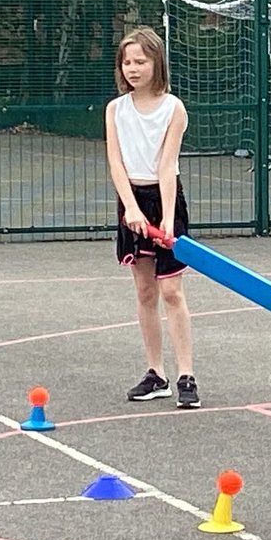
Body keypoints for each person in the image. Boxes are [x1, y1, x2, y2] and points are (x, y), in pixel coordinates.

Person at [105, 26, 199, 409]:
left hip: (165, 200)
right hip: (132, 199)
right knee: (145, 292)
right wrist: (130, 207)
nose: (133, 68)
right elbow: (115, 162)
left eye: (140, 61)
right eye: (127, 62)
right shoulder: (116, 110)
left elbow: (166, 166)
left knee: (172, 292)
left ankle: (186, 377)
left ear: (156, 62)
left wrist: (167, 220)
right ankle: (155, 374)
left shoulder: (173, 108)